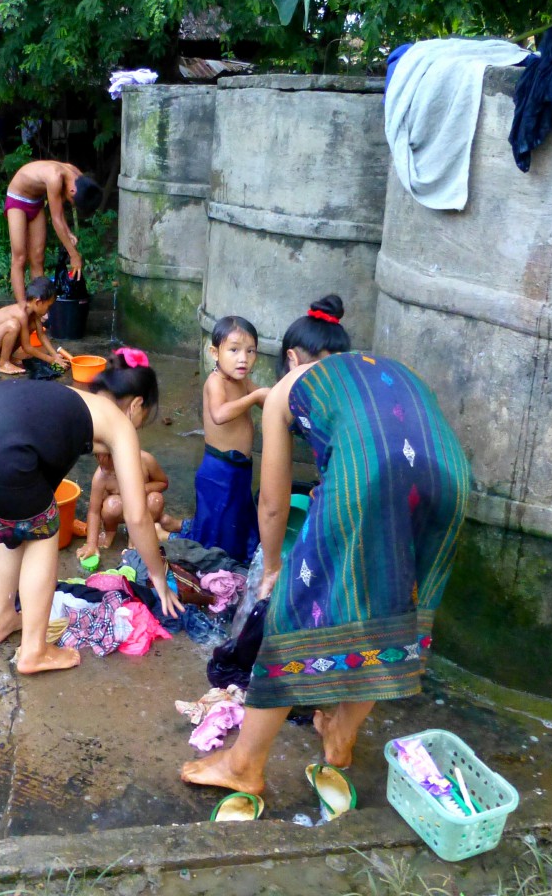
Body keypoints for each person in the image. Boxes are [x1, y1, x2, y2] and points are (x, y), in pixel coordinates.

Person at [181, 295, 470, 795]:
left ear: (292, 359)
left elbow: (272, 503)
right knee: (395, 608)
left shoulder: (289, 388)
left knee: (292, 616)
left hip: (371, 478)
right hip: (453, 480)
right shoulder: (386, 369)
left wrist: (273, 568)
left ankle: (242, 766)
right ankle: (340, 735)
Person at [0, 357, 184, 675]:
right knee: (43, 530)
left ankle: (3, 618)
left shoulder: (68, 403)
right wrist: (158, 577)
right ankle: (34, 651)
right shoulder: (118, 424)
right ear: (135, 406)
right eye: (143, 419)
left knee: (12, 526)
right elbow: (138, 517)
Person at [160, 316, 270, 561]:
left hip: (239, 466)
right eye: (234, 350)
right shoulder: (216, 382)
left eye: (250, 351)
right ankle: (165, 535)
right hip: (219, 469)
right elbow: (219, 415)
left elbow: (266, 399)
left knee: (233, 516)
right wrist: (254, 398)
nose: (243, 358)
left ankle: (175, 524)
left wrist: (279, 399)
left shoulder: (242, 381)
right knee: (218, 523)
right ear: (214, 353)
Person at [76, 349, 170, 560]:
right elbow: (93, 511)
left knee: (153, 500)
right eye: (98, 455)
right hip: (117, 512)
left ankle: (135, 537)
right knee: (112, 505)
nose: (102, 459)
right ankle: (112, 533)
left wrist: (139, 489)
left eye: (107, 454)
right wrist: (91, 543)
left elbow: (162, 484)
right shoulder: (101, 474)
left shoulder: (142, 459)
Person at [5, 160, 102, 303]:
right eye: (71, 201)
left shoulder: (78, 177)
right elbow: (56, 220)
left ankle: (39, 307)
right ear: (73, 191)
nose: (70, 203)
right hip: (18, 198)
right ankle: (23, 310)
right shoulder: (55, 177)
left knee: (38, 257)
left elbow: (59, 210)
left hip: (35, 200)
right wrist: (74, 255)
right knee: (19, 257)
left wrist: (68, 233)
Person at [0, 276, 72, 375]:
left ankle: (5, 357)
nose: (48, 310)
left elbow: (42, 335)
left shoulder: (33, 313)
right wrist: (51, 360)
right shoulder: (22, 314)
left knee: (30, 325)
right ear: (38, 302)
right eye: (48, 306)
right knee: (13, 325)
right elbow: (27, 347)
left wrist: (55, 355)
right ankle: (3, 363)